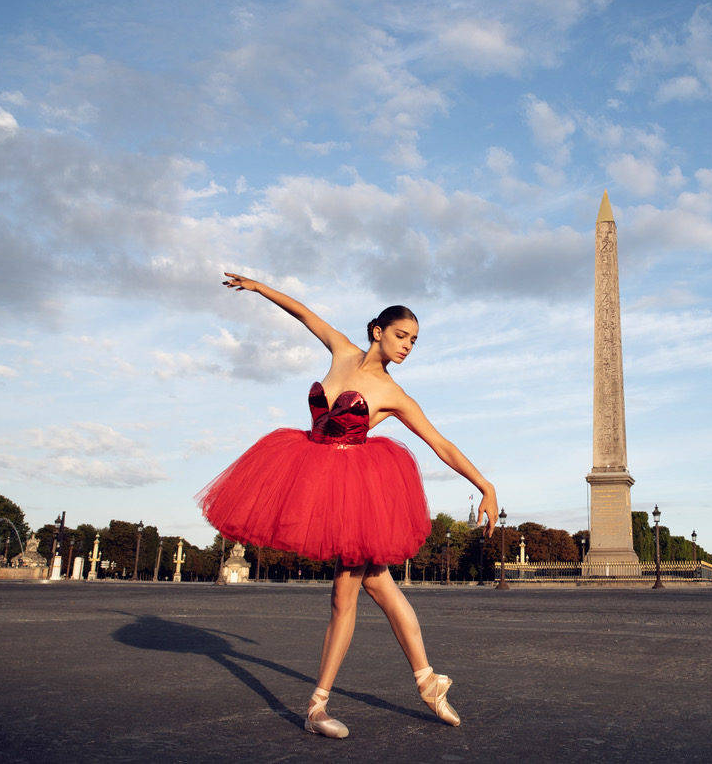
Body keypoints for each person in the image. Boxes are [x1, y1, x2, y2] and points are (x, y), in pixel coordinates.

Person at [198, 272, 499, 738]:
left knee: (347, 595)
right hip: (316, 474)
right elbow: (302, 313)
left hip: (357, 492)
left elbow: (440, 444)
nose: (407, 347)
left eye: (415, 342)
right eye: (402, 336)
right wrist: (260, 289)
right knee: (378, 586)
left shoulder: (395, 395)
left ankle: (322, 706)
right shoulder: (339, 349)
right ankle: (427, 682)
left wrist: (485, 485)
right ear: (378, 331)